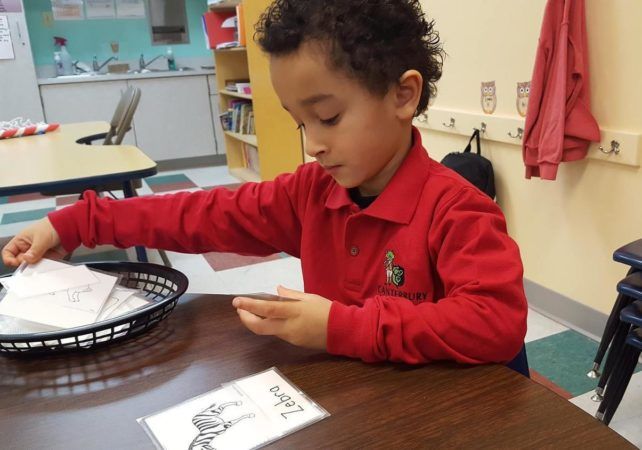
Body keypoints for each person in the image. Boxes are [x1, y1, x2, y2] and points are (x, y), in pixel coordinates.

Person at [1, 0, 527, 365]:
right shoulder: (309, 193)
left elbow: (496, 324)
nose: (312, 145)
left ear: (403, 95)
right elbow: (198, 215)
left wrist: (342, 328)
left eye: (329, 117)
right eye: (301, 123)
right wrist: (72, 222)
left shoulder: (457, 209)